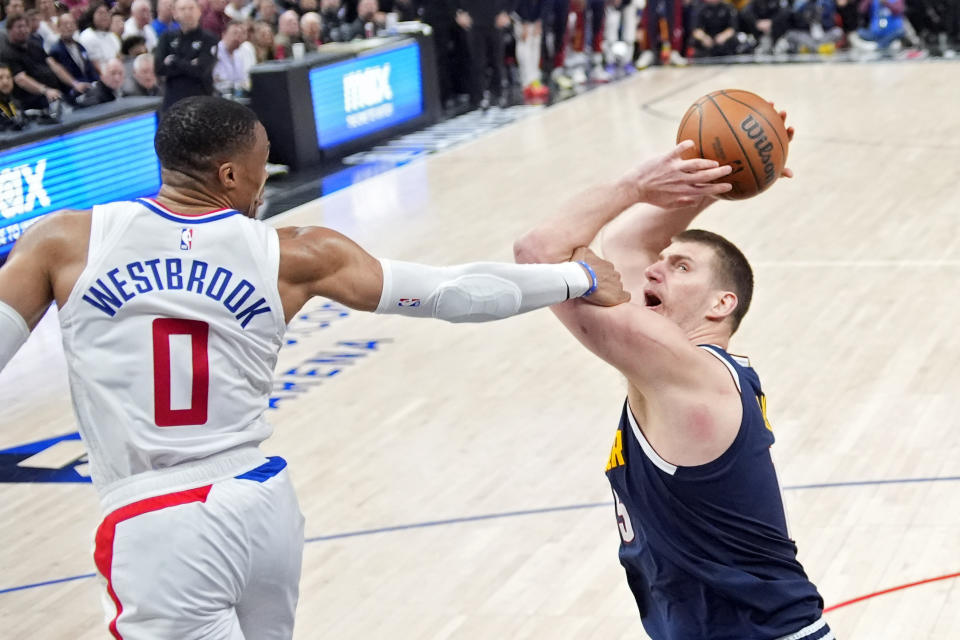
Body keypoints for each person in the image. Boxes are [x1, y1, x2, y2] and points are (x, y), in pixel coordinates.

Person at [0, 95, 626, 639]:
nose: (265, 179)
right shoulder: (293, 253)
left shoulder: (64, 240)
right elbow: (452, 293)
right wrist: (576, 277)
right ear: (227, 173)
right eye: (259, 163)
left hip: (157, 518)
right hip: (262, 502)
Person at [514, 123, 832, 640]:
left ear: (720, 305)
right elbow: (625, 240)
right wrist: (725, 171)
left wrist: (636, 185)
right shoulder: (685, 370)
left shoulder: (684, 371)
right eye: (658, 263)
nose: (653, 272)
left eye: (679, 267)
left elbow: (536, 253)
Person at [154, 0, 218, 110]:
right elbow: (159, 68)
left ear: (199, 11)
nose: (187, 12)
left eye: (191, 8)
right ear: (175, 13)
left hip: (201, 101)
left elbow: (201, 70)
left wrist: (174, 61)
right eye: (183, 9)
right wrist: (190, 63)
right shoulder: (167, 37)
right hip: (173, 101)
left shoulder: (209, 39)